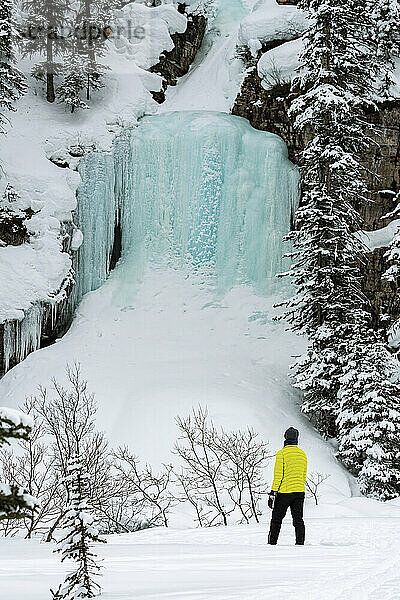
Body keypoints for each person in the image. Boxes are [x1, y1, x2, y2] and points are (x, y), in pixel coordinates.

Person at [267, 427, 307, 545]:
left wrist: (273, 492)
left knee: (276, 520)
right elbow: (303, 475)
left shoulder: (282, 454)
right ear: (296, 439)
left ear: (285, 438)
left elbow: (278, 475)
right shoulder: (302, 454)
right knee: (298, 520)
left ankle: (272, 544)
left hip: (284, 492)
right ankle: (300, 544)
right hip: (299, 492)